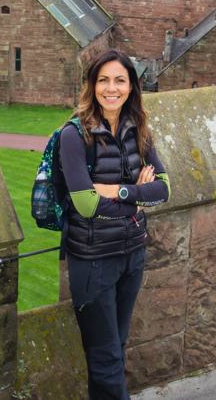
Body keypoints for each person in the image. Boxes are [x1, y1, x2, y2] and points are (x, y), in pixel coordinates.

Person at [59, 49, 170, 400]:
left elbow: (163, 190)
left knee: (114, 350)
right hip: (92, 261)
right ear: (91, 86)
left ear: (131, 87)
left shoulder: (139, 131)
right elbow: (85, 205)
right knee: (106, 359)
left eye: (120, 80)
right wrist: (137, 197)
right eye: (103, 80)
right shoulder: (74, 136)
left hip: (132, 256)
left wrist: (119, 190)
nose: (111, 88)